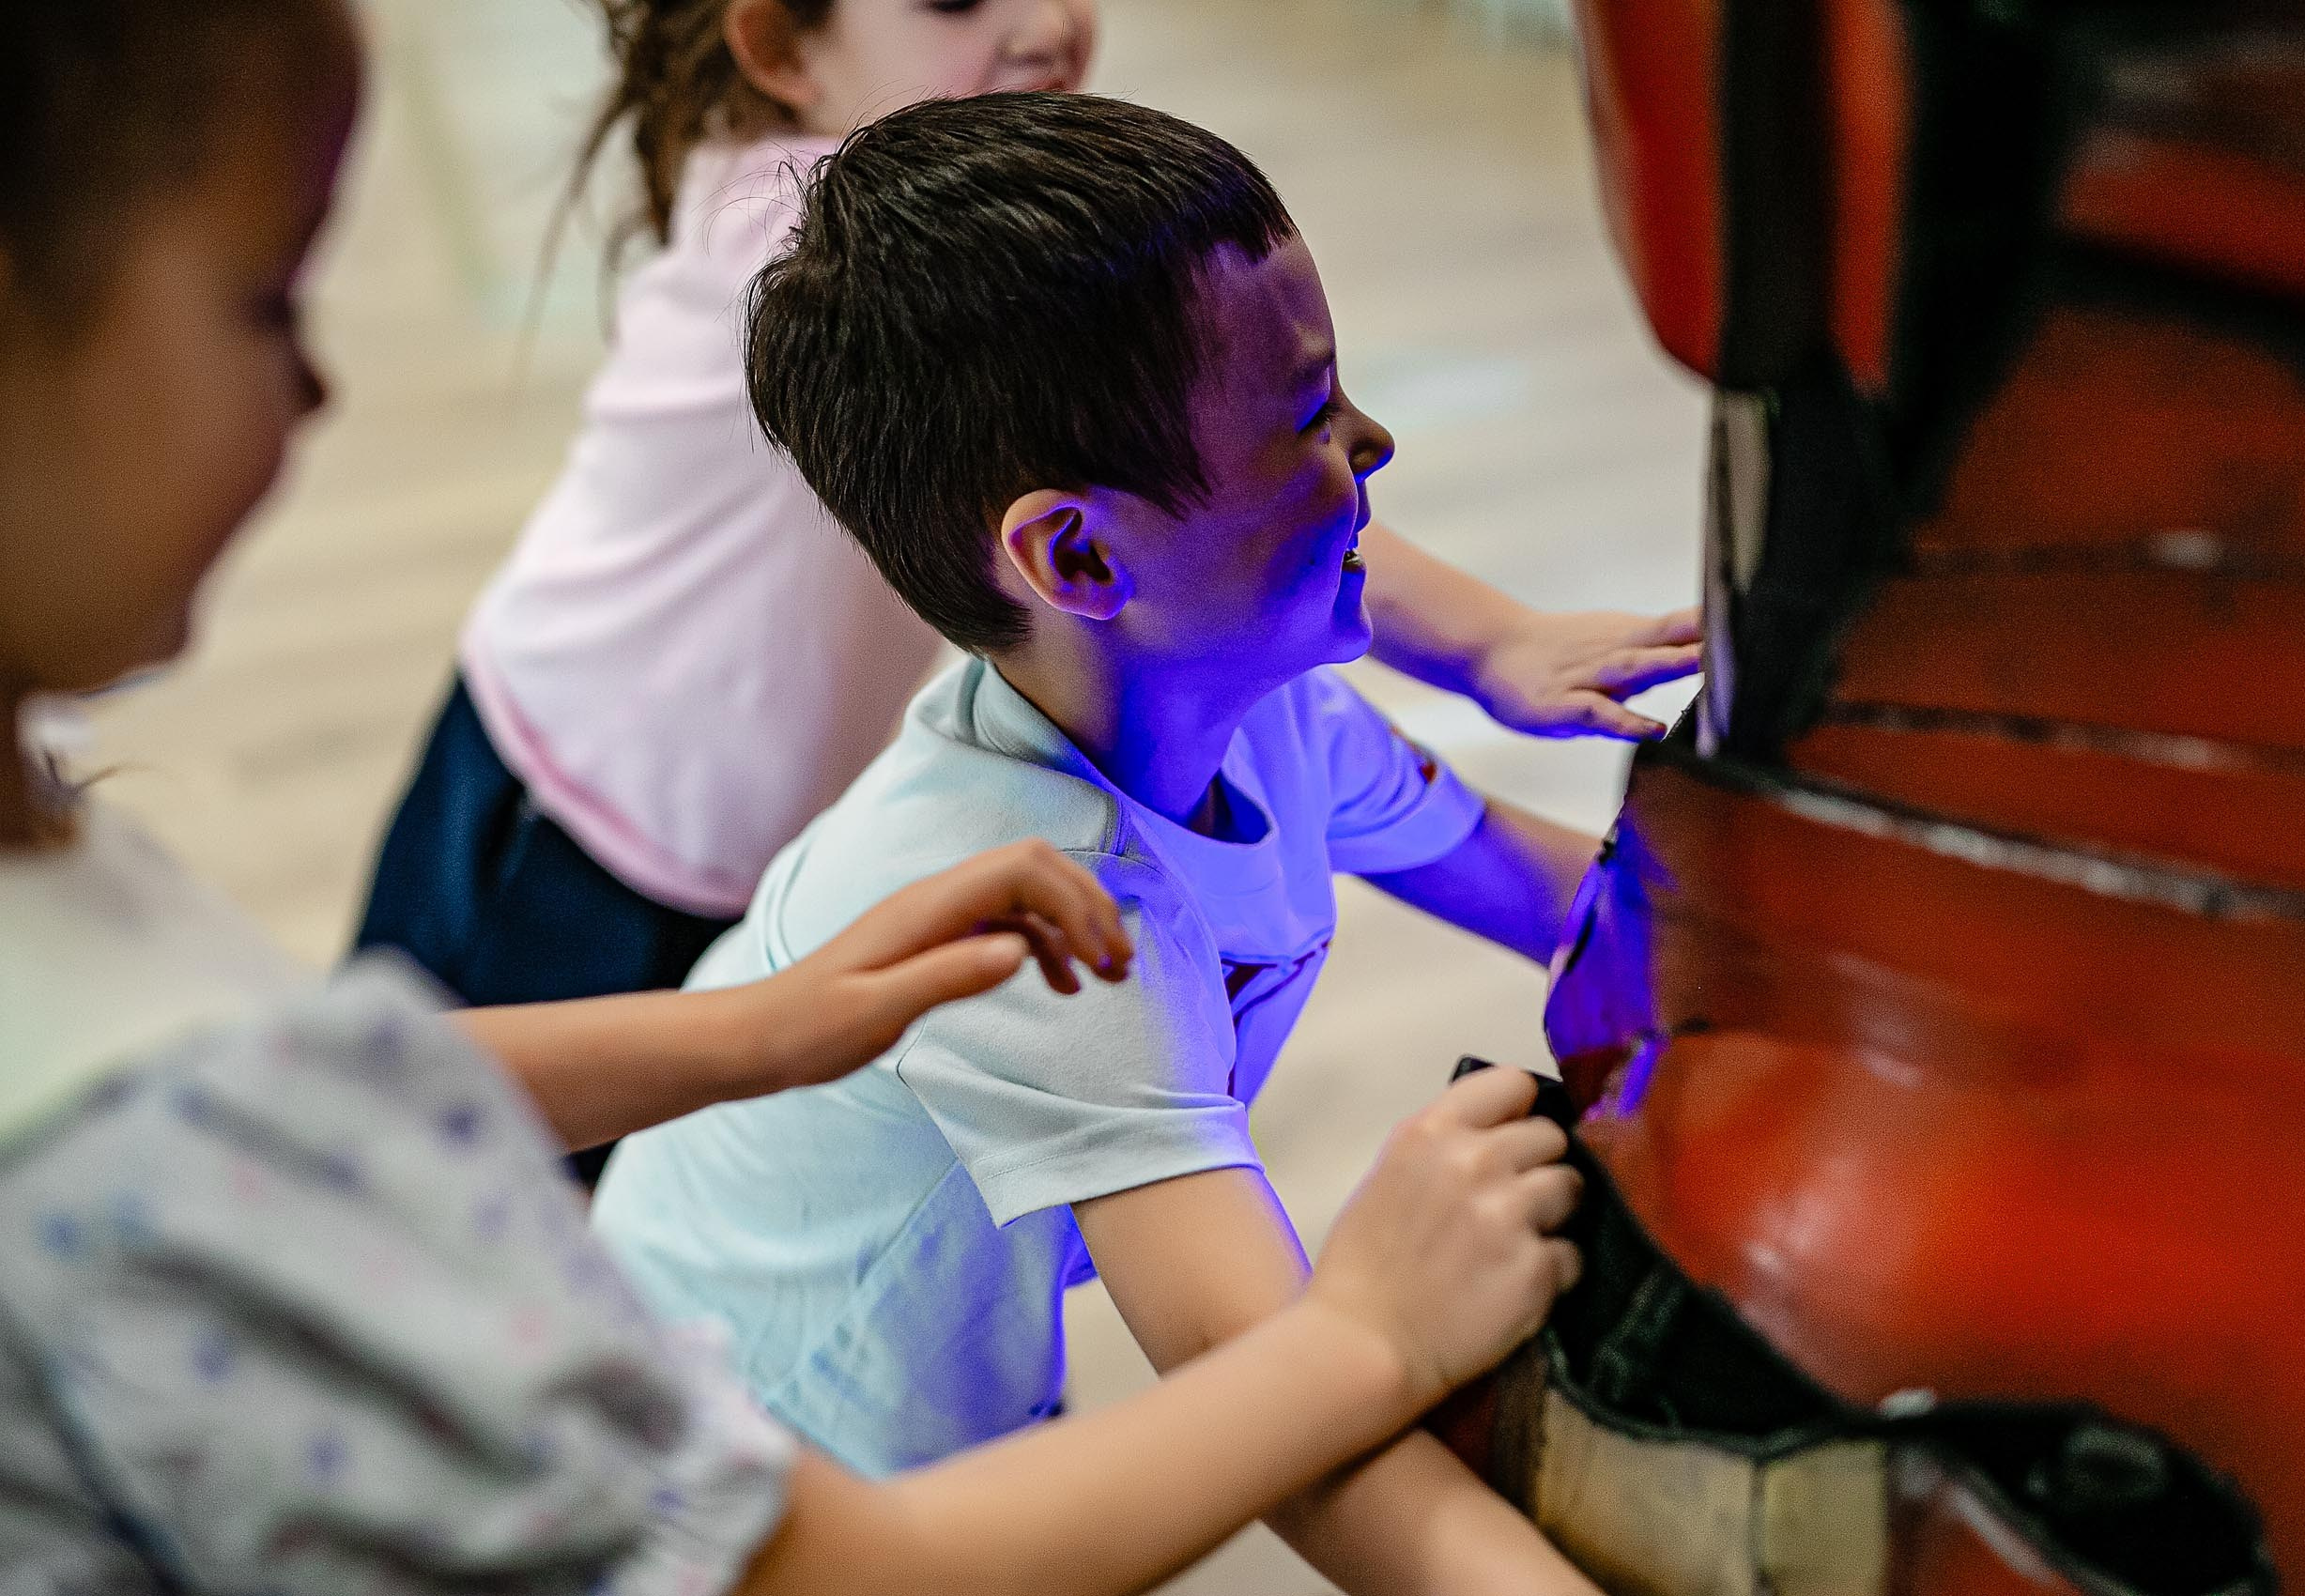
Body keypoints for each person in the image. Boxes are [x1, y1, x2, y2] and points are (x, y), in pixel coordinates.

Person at [0, 7, 1587, 1591]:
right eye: (271, 302)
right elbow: (824, 1571)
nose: (320, 392)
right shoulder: (137, 1131)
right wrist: (1366, 1337)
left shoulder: (99, 931)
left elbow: (318, 1084)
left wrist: (755, 1026)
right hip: (565, 834)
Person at [352, 0, 1700, 1176]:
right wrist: (1489, 643)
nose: (1048, 22)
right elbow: (1207, 481)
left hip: (722, 835)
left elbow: (1202, 487)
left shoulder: (907, 242)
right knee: (456, 1210)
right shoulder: (794, 253)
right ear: (776, 48)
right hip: (568, 822)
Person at [592, 93, 1621, 1594]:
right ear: (1075, 555)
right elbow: (1278, 1400)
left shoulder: (1269, 720)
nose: (1373, 441)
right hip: (740, 1483)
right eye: (1306, 414)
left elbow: (1570, 906)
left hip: (922, 1404)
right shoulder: (1038, 929)